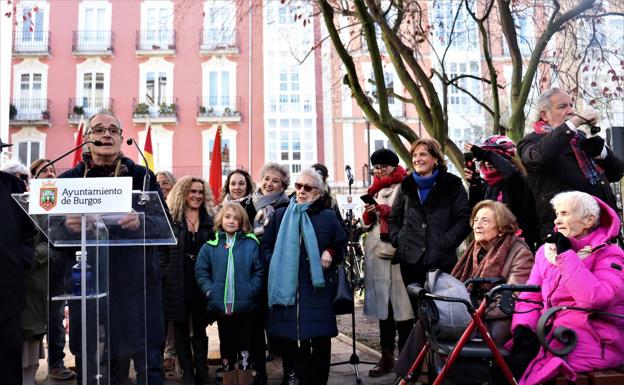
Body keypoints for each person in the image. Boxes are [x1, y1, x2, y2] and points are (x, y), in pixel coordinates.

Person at [58, 111, 166, 385]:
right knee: (93, 362)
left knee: (147, 361)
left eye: (112, 130)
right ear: (87, 139)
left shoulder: (143, 177)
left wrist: (141, 222)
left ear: (121, 138)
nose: (106, 134)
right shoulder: (69, 181)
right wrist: (66, 227)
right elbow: (49, 231)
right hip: (89, 285)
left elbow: (165, 224)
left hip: (137, 287)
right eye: (98, 130)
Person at [394, 200, 534, 380]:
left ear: (501, 227)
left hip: (494, 322)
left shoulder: (519, 253)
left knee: (432, 323)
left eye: (485, 221)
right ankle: (413, 377)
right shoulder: (475, 250)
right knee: (429, 319)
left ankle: (408, 378)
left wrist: (472, 310)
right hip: (470, 314)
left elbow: (512, 299)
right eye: (476, 220)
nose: (478, 225)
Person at [508, 191, 624, 385]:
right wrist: (524, 328)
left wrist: (567, 255)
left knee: (532, 370)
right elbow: (531, 296)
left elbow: (596, 299)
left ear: (589, 220)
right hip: (552, 333)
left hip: (596, 339)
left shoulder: (610, 254)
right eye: (557, 214)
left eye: (565, 214)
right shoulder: (547, 253)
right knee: (501, 363)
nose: (557, 221)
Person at [262, 168, 347, 385]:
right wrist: (275, 262)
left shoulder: (327, 216)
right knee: (289, 338)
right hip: (286, 287)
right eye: (298, 186)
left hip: (316, 288)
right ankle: (292, 377)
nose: (301, 191)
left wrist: (330, 252)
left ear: (318, 193)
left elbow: (341, 243)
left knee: (318, 340)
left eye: (307, 188)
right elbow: (266, 245)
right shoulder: (280, 215)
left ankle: (318, 381)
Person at [518, 87, 624, 240]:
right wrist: (574, 123)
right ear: (544, 115)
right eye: (562, 106)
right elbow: (538, 158)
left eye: (571, 105)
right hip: (567, 236)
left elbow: (616, 173)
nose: (570, 111)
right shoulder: (531, 141)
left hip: (602, 230)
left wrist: (598, 148)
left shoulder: (579, 138)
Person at [388, 138, 471, 294]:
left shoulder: (452, 184)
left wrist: (445, 242)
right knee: (418, 311)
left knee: (442, 310)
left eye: (423, 154)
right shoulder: (407, 185)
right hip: (410, 260)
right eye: (414, 155)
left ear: (435, 158)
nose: (417, 159)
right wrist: (399, 239)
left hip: (441, 259)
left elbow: (464, 219)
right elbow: (393, 218)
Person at [195, 203, 264, 385]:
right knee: (226, 347)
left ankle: (244, 380)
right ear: (220, 219)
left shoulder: (251, 244)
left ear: (242, 222)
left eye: (236, 218)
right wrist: (210, 290)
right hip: (223, 309)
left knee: (244, 348)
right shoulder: (211, 245)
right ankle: (228, 380)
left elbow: (259, 271)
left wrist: (252, 290)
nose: (231, 221)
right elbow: (201, 270)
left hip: (245, 308)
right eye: (227, 217)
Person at [361, 148, 414, 377]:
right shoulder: (373, 190)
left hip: (397, 255)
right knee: (384, 310)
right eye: (376, 167)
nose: (379, 171)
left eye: (383, 167)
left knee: (403, 310)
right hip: (377, 255)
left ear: (393, 166)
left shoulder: (406, 186)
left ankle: (406, 360)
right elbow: (366, 225)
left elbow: (408, 217)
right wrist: (369, 214)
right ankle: (386, 358)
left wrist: (385, 211)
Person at [161, 176, 216, 385]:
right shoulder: (172, 219)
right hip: (177, 280)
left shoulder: (210, 219)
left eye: (200, 192)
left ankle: (202, 370)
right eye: (192, 191)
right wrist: (166, 272)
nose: (197, 196)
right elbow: (161, 250)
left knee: (201, 327)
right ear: (183, 193)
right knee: (181, 328)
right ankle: (187, 372)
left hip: (201, 282)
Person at [28, 159, 77, 382]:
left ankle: (56, 364)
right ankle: (28, 365)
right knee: (33, 318)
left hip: (61, 266)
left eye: (52, 170)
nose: (49, 174)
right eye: (44, 171)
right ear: (34, 178)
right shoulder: (27, 202)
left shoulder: (65, 201)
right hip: (35, 270)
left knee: (56, 317)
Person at [250, 163, 291, 385]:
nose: (269, 183)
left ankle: (289, 371)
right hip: (253, 271)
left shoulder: (287, 207)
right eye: (266, 178)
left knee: (279, 324)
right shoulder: (250, 205)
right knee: (255, 325)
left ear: (283, 185)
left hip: (276, 270)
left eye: (275, 180)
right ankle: (260, 373)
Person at [0, 139, 35, 385]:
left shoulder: (13, 185)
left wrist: (21, 259)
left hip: (7, 292)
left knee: (8, 363)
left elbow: (29, 232)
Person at [464, 135, 538, 250]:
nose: (487, 163)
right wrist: (475, 185)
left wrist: (486, 154)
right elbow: (474, 213)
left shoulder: (518, 180)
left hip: (516, 247)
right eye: (485, 159)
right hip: (490, 246)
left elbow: (511, 174)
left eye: (494, 157)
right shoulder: (487, 185)